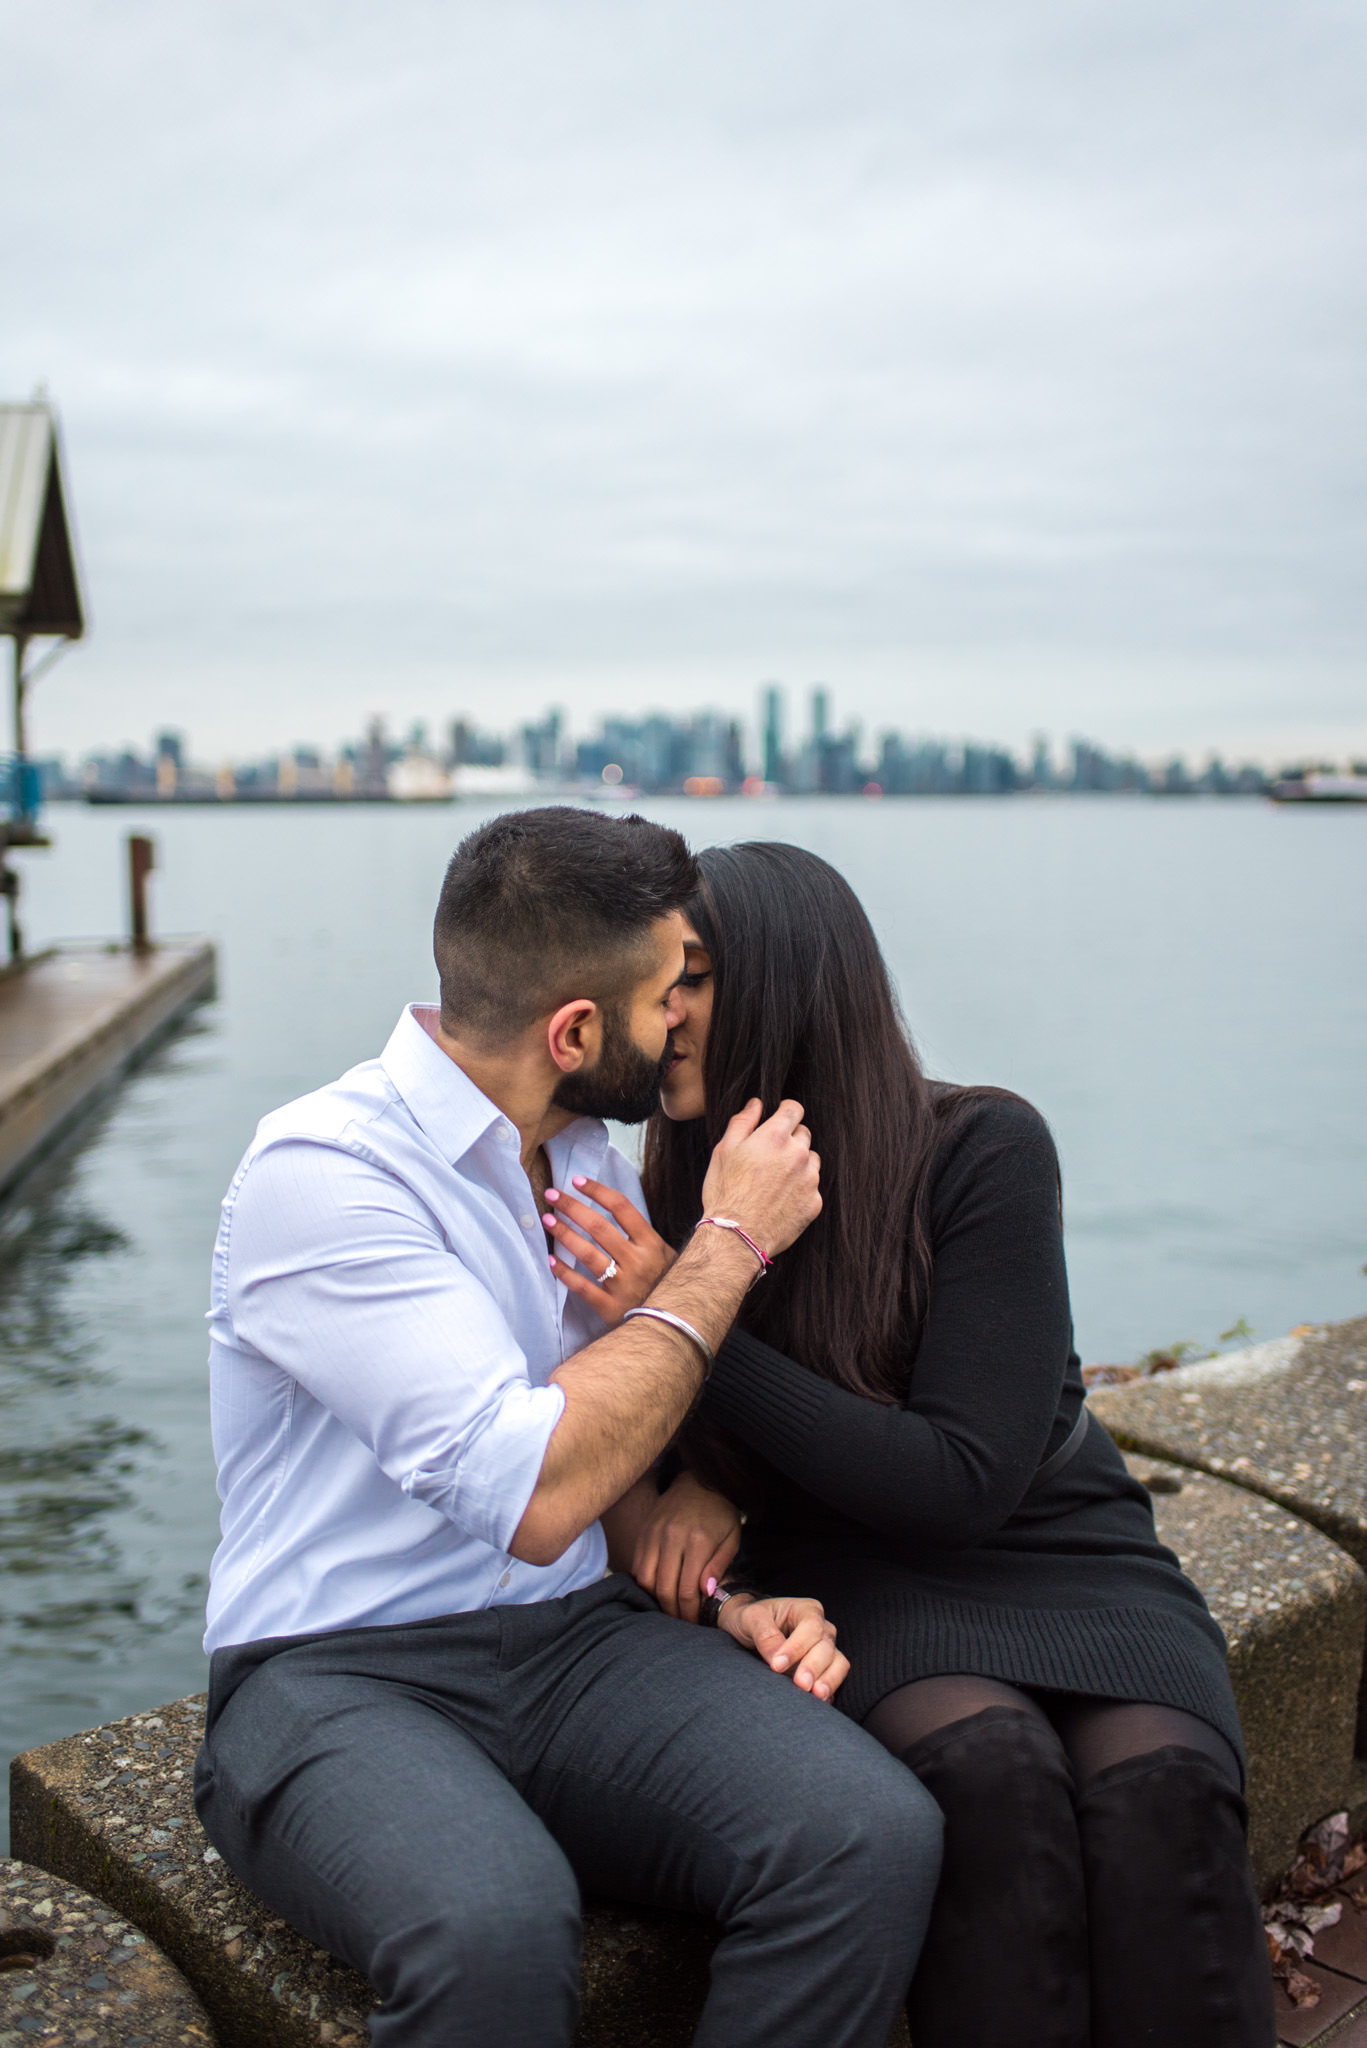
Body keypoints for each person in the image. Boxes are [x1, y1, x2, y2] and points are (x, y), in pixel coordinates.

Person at [193, 808, 942, 2048]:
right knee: (491, 1924)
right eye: (666, 996)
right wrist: (728, 1248)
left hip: (574, 1643)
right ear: (577, 1030)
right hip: (332, 1668)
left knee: (866, 1830)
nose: (682, 1024)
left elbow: (607, 1463)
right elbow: (533, 1486)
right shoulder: (324, 1173)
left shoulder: (586, 1155)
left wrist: (719, 1591)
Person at [543, 839, 1276, 2048]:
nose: (656, 1014)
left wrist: (692, 1307)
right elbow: (627, 1434)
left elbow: (961, 1480)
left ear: (784, 984)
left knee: (1159, 1794)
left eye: (690, 978)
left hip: (1060, 1553)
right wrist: (701, 1477)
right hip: (861, 1576)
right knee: (988, 1777)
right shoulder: (673, 1194)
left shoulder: (980, 1148)